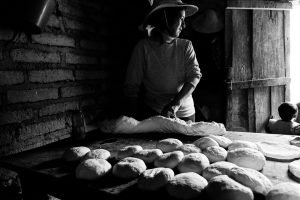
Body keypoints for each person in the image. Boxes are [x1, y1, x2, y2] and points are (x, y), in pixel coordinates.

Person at [123, 0, 202, 122]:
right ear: (166, 19)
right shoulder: (143, 47)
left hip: (185, 114)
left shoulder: (185, 46)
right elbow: (131, 87)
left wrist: (175, 104)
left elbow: (195, 76)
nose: (184, 25)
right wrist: (132, 123)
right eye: (181, 19)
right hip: (154, 113)